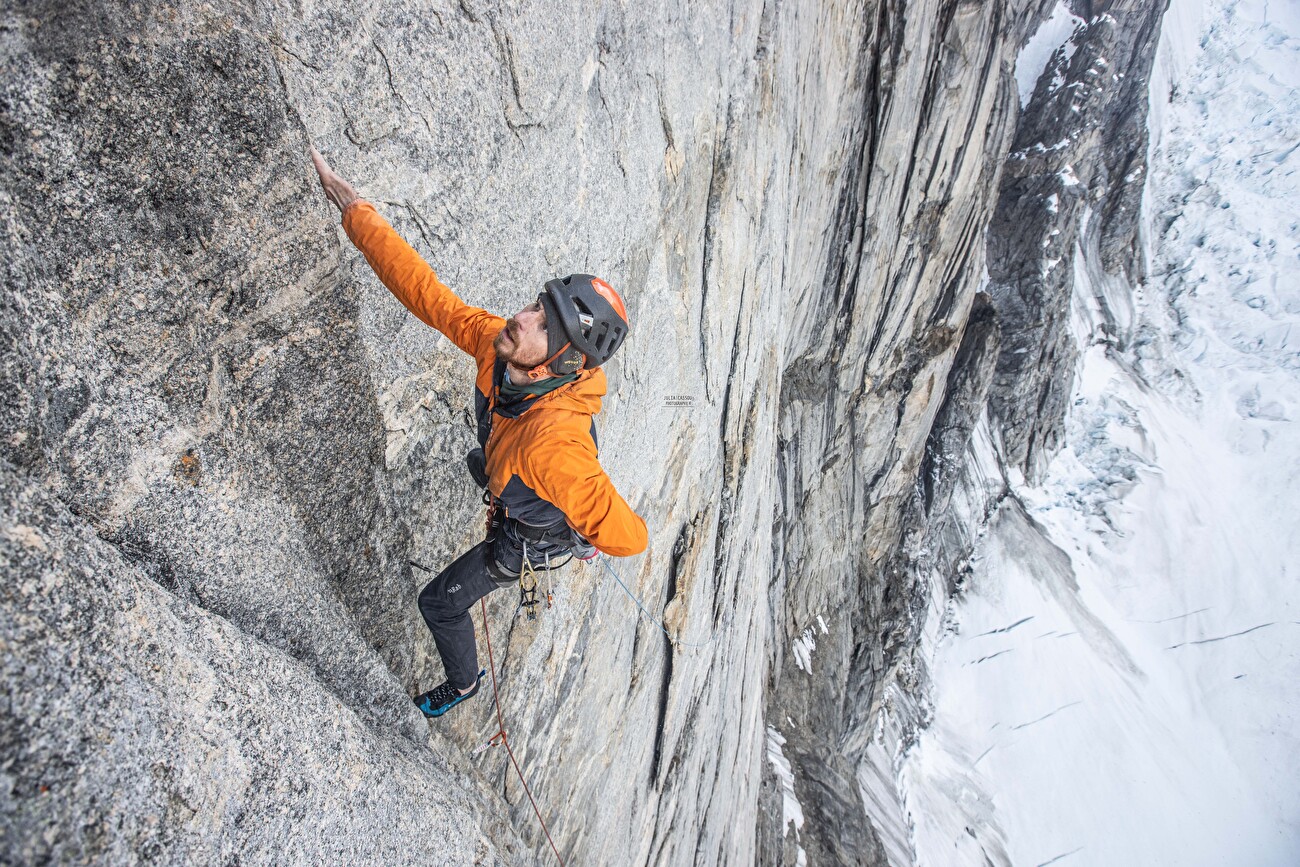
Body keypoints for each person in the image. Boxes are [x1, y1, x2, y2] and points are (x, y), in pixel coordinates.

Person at [311, 149, 649, 717]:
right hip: (520, 485)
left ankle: (464, 684)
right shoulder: (499, 350)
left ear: (557, 367)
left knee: (438, 605)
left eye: (543, 326)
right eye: (538, 307)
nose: (520, 318)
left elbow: (632, 537)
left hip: (527, 539)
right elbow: (427, 295)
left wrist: (589, 525)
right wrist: (355, 211)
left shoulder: (557, 450)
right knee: (482, 461)